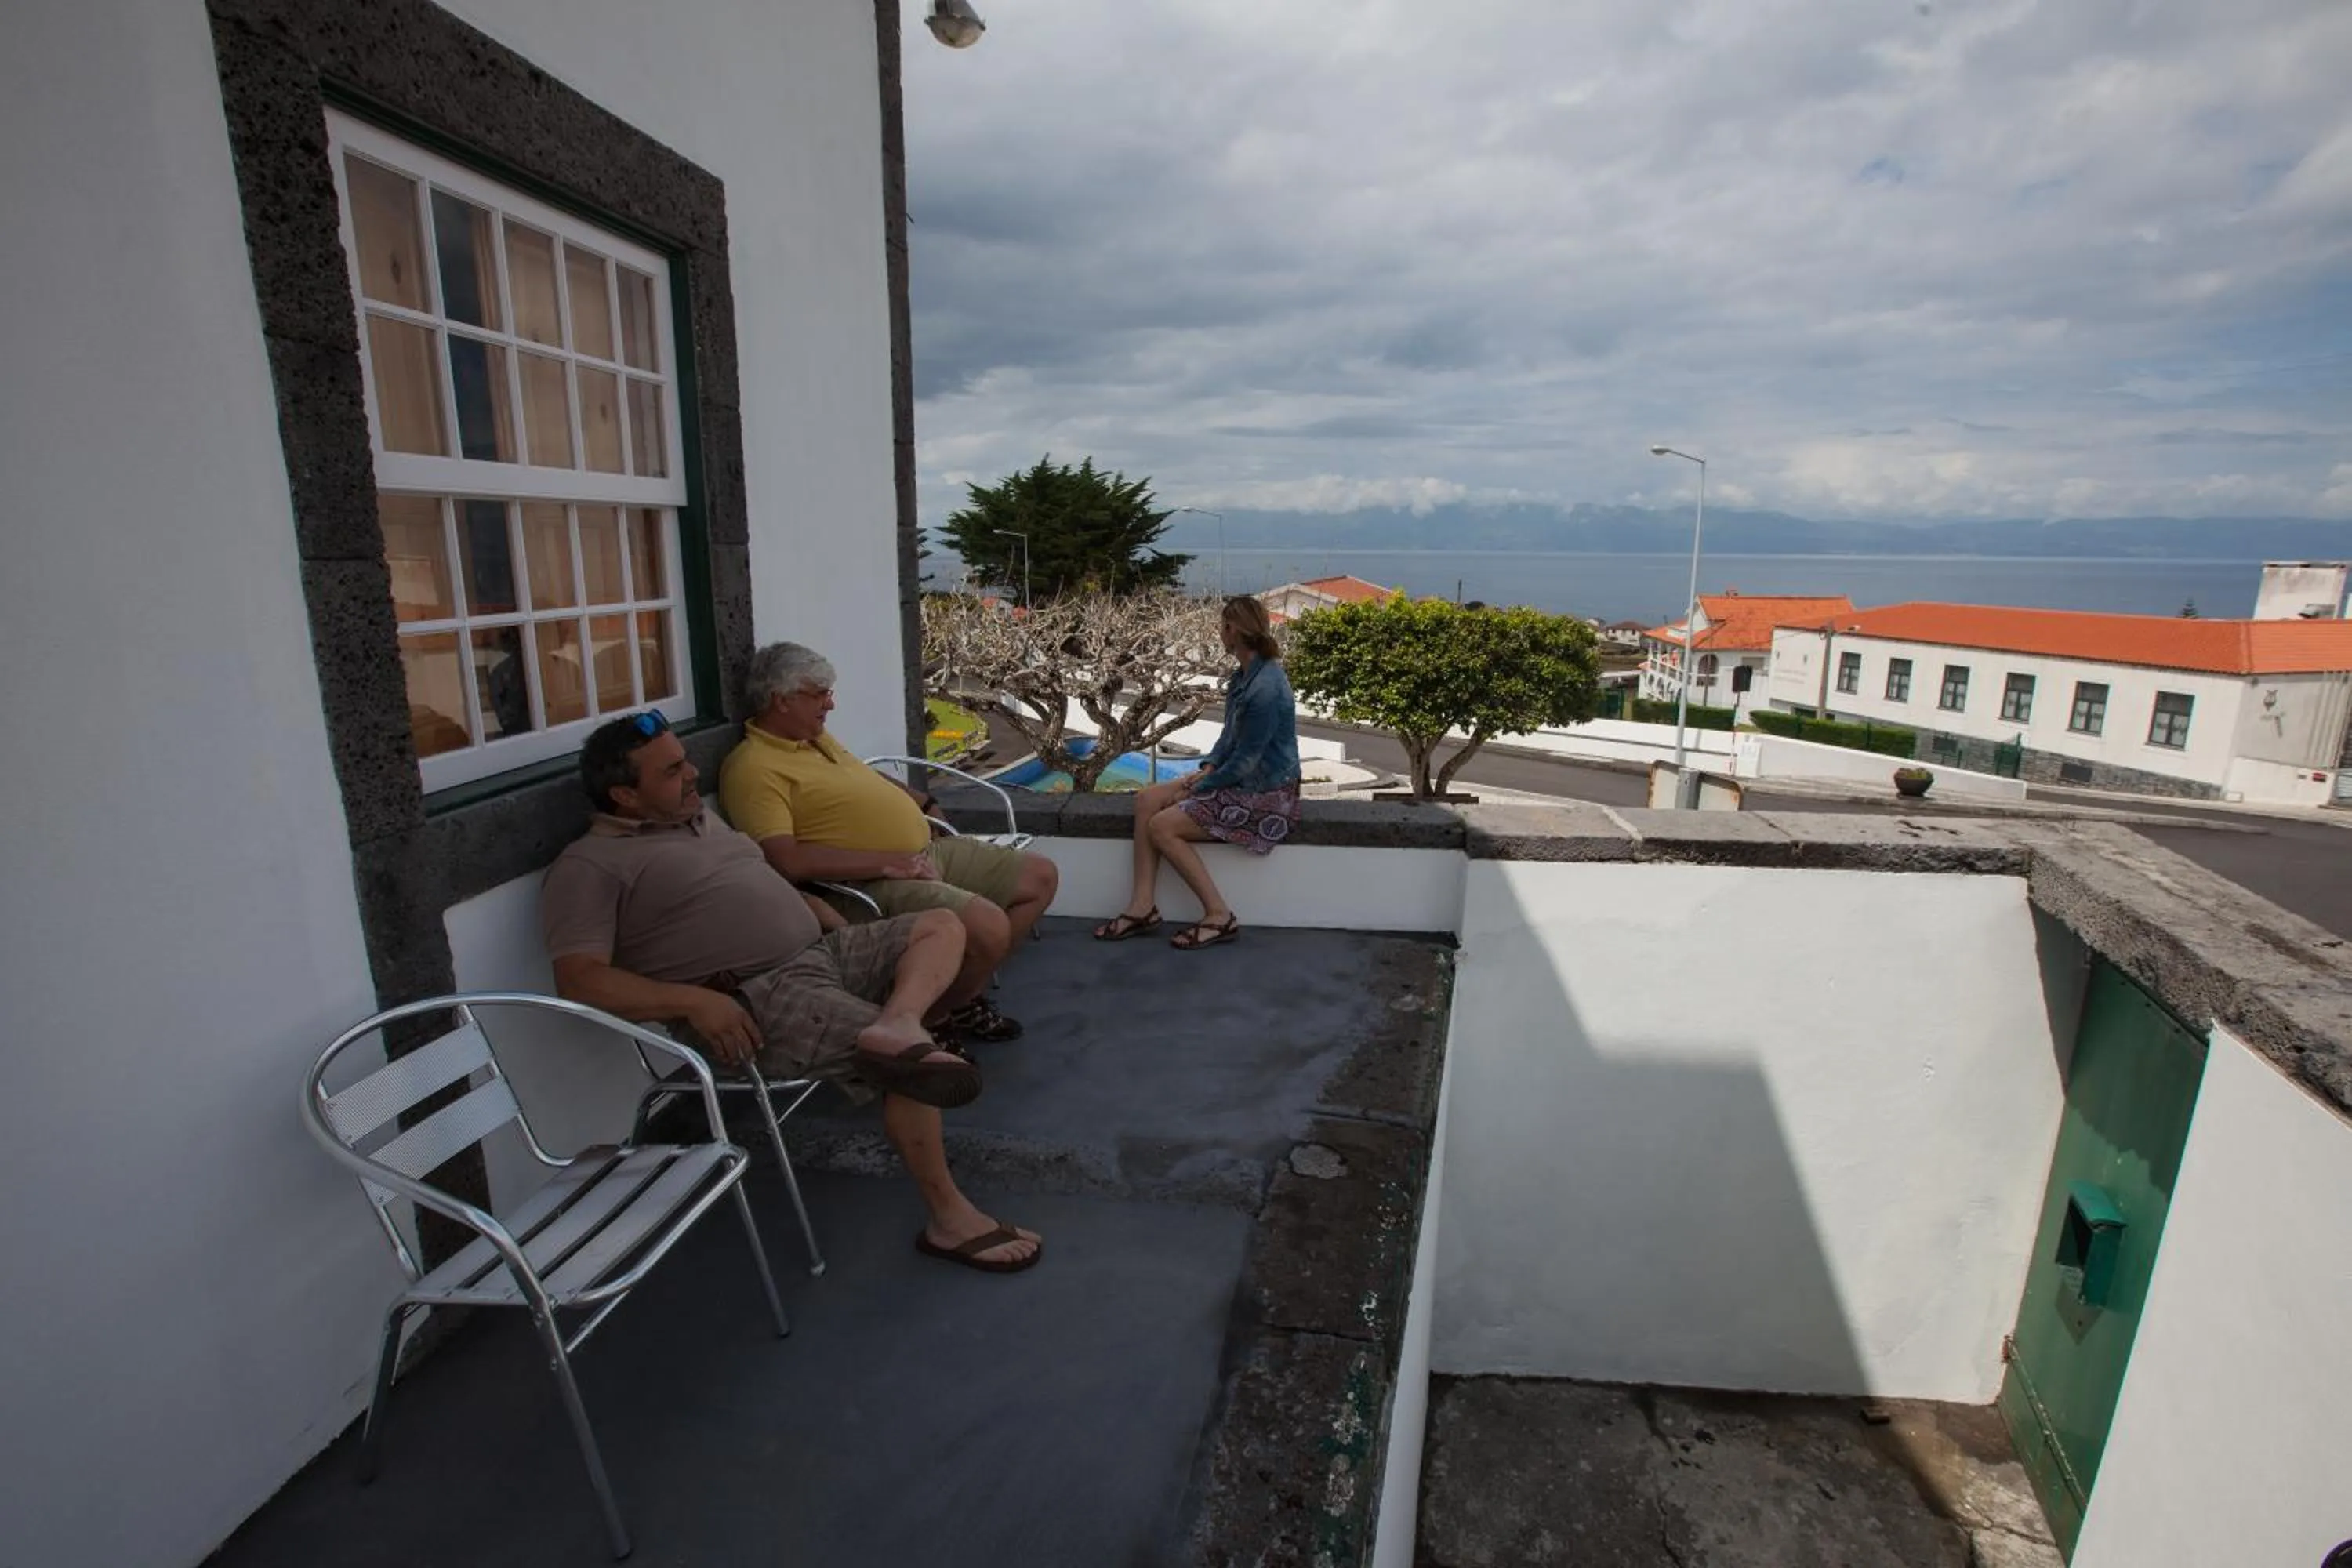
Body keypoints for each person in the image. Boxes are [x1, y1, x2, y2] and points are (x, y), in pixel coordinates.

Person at [542, 710, 1041, 1273]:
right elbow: (579, 979)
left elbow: (750, 880)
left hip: (821, 953)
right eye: (672, 771)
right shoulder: (589, 867)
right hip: (752, 999)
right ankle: (949, 1220)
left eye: (685, 761)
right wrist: (692, 1002)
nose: (690, 775)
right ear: (624, 797)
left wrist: (813, 909)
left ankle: (899, 1019)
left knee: (943, 926)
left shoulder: (696, 820)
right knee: (913, 1065)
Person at [718, 642, 1059, 1044]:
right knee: (989, 928)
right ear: (782, 700)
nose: (830, 704)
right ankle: (927, 1022)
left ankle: (955, 1001)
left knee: (1040, 876)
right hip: (865, 884)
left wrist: (924, 802)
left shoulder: (814, 738)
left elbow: (864, 777)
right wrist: (887, 864)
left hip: (921, 853)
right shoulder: (754, 767)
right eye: (820, 694)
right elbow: (785, 861)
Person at [1094, 596, 1301, 949]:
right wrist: (1206, 769)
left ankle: (1219, 915)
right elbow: (1228, 739)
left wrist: (1197, 788)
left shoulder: (1266, 687)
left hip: (1266, 794)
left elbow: (1248, 761)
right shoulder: (1244, 676)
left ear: (1231, 630)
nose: (1219, 633)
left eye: (1221, 626)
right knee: (1148, 799)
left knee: (1162, 826)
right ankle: (1142, 907)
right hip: (1239, 778)